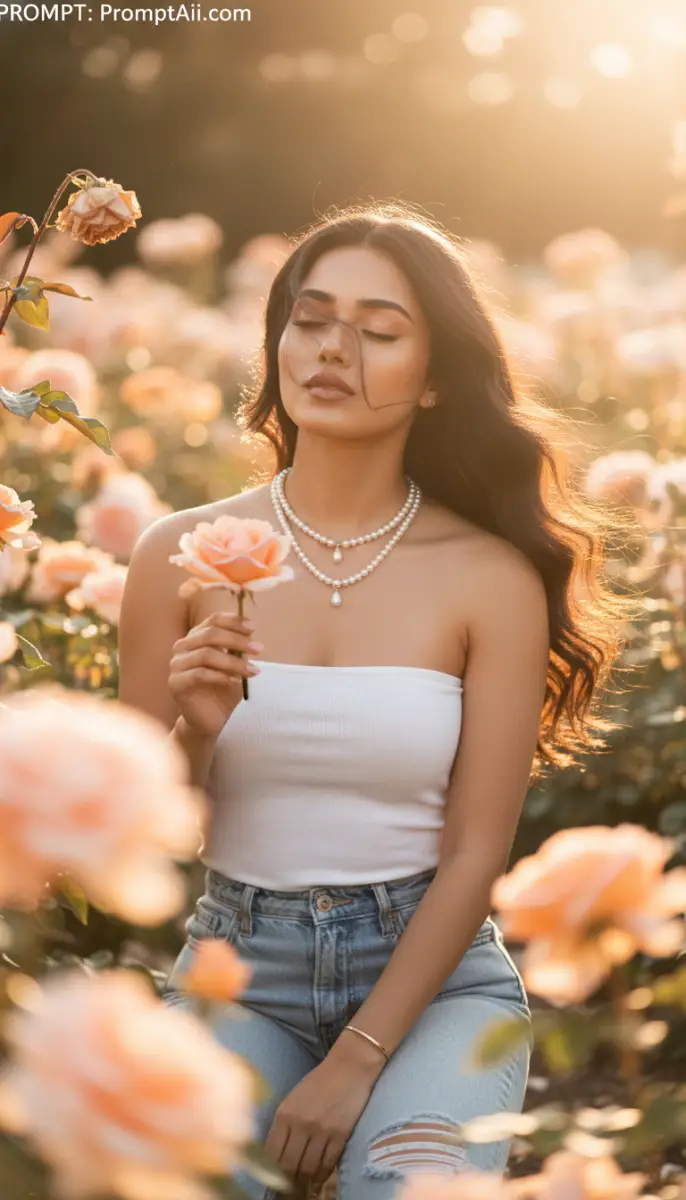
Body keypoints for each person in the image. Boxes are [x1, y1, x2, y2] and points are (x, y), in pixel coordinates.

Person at [118, 204, 629, 1200]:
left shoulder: (487, 577)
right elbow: (141, 833)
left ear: (433, 377)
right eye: (309, 320)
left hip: (434, 980)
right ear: (275, 343)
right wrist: (197, 731)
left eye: (380, 331)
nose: (332, 350)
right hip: (234, 970)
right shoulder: (175, 556)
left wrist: (356, 1059)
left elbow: (477, 852)